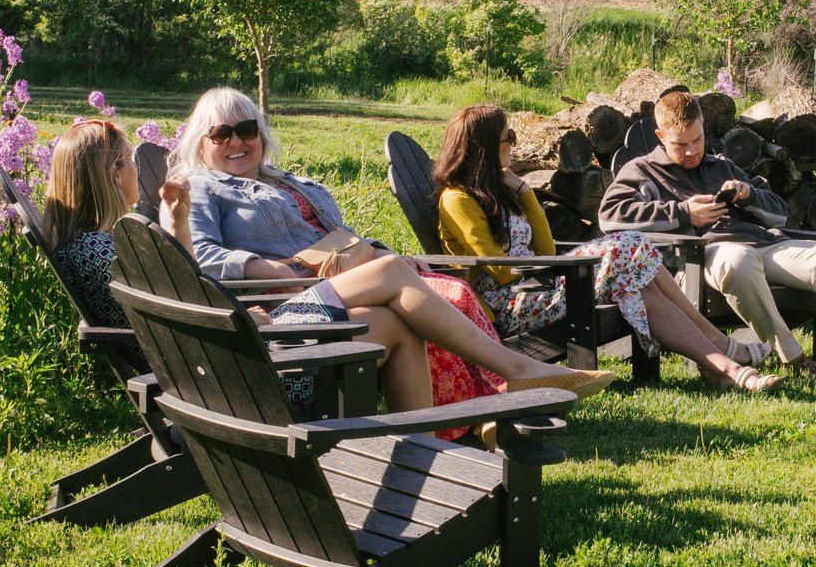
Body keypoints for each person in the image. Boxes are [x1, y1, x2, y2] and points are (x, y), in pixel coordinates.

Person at [170, 86, 613, 411]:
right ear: (200, 143)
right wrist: (273, 271)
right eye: (221, 133)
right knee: (398, 274)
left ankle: (433, 437)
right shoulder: (203, 188)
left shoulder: (289, 183)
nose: (236, 142)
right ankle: (514, 371)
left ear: (261, 134)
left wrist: (378, 252)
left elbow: (341, 236)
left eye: (246, 129)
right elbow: (199, 257)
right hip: (282, 308)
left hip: (335, 294)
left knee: (408, 314)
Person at [432, 103, 782, 392]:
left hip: (542, 285)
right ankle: (721, 350)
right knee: (629, 244)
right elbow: (500, 270)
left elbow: (546, 248)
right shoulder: (458, 199)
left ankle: (723, 368)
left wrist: (525, 195)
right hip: (511, 303)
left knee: (637, 283)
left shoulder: (500, 191)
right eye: (508, 137)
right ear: (484, 147)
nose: (513, 142)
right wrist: (553, 266)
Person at [600, 89, 816, 381]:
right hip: (704, 255)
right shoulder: (641, 170)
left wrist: (749, 194)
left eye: (697, 140)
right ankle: (795, 359)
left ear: (703, 128)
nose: (691, 151)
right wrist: (685, 213)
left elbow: (779, 212)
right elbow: (610, 216)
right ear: (660, 136)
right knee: (738, 260)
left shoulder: (722, 165)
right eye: (680, 144)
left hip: (766, 244)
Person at [45, 116, 164, 327]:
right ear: (115, 174)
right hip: (176, 355)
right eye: (131, 159)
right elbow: (175, 301)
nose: (137, 169)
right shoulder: (99, 250)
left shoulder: (87, 243)